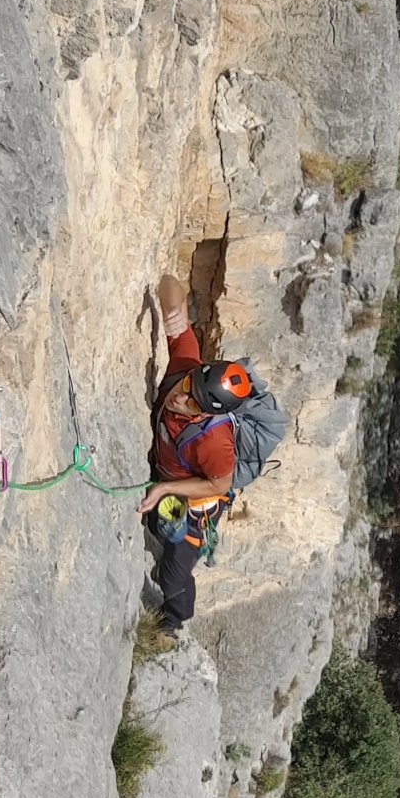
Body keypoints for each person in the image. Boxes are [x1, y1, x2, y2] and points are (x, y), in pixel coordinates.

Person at [138, 272, 257, 640]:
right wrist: (168, 306)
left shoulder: (214, 442)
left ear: (207, 413)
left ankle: (175, 620)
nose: (179, 398)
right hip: (170, 482)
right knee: (160, 531)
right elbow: (171, 286)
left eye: (191, 402)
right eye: (187, 387)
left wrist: (164, 490)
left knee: (173, 570)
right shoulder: (184, 370)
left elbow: (220, 483)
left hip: (197, 507)